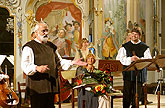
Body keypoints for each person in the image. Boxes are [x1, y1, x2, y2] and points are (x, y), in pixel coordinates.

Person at [21, 22, 87, 108]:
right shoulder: (29, 47)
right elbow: (25, 65)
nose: (46, 33)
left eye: (47, 30)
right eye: (43, 31)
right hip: (37, 87)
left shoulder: (51, 46)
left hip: (50, 85)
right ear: (36, 33)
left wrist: (72, 62)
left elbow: (59, 62)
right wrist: (36, 68)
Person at [116, 28, 152, 108]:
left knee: (137, 96)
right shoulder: (125, 46)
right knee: (127, 94)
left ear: (139, 36)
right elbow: (119, 59)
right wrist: (130, 59)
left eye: (136, 34)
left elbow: (148, 59)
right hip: (128, 74)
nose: (134, 36)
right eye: (132, 34)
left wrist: (139, 60)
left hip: (139, 74)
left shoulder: (145, 47)